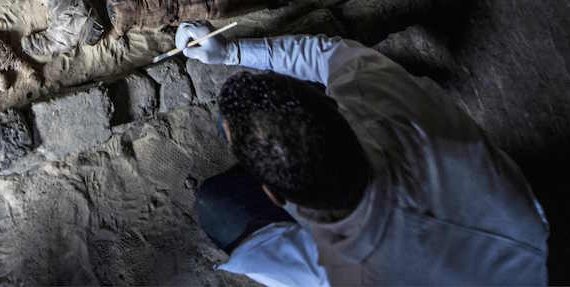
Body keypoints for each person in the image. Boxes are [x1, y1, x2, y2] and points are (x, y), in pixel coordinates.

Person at [176, 22, 549, 286]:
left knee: (216, 204)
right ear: (337, 110)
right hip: (520, 238)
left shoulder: (327, 270)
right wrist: (229, 50)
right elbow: (330, 54)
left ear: (275, 197)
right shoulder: (386, 99)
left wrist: (231, 54)